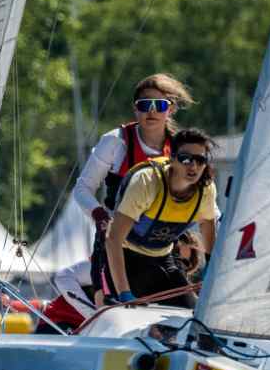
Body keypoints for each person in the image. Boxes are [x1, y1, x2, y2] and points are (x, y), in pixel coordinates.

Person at [72, 73, 194, 302]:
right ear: (135, 109)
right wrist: (100, 216)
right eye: (144, 105)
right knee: (112, 308)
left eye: (160, 105)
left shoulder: (181, 148)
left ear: (171, 109)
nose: (152, 112)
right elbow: (82, 189)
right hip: (114, 244)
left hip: (160, 249)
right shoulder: (115, 141)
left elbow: (199, 199)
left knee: (188, 313)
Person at [103, 128, 218, 308]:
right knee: (135, 315)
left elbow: (207, 226)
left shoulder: (206, 189)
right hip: (126, 259)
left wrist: (212, 270)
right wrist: (124, 293)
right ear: (172, 158)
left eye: (200, 160)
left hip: (163, 258)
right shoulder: (147, 182)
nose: (193, 167)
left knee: (194, 313)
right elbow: (113, 239)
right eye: (186, 159)